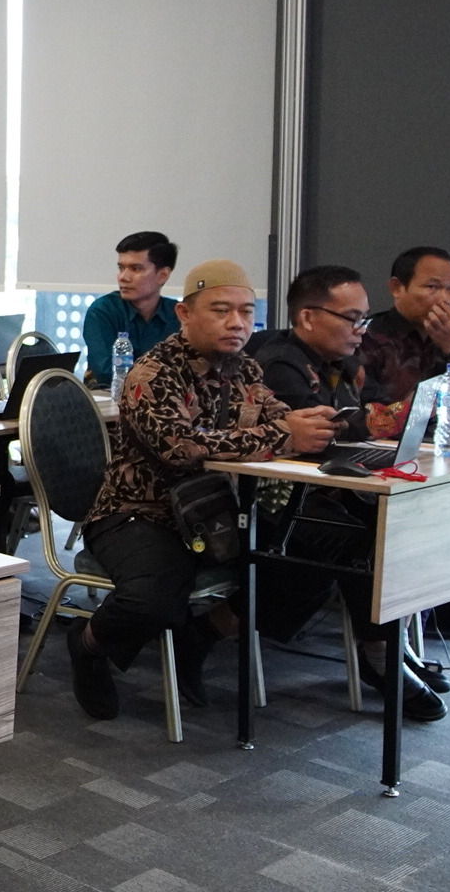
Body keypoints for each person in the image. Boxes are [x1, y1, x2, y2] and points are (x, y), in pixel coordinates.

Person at [66, 260, 339, 721]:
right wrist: (284, 435)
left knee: (308, 562)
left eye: (247, 312)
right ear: (185, 314)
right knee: (153, 598)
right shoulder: (152, 372)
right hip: (138, 512)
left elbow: (277, 418)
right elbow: (180, 447)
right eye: (221, 310)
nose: (237, 323)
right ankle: (88, 644)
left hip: (214, 510)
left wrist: (320, 425)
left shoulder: (245, 369)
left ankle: (201, 635)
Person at [248, 266, 447, 720]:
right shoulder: (280, 364)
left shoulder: (344, 363)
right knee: (367, 537)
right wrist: (373, 420)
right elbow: (323, 434)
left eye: (364, 319)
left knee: (399, 519)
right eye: (352, 319)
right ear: (308, 317)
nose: (362, 331)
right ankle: (378, 653)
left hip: (326, 488)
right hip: (275, 499)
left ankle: (389, 641)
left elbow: (364, 418)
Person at [358, 246, 450, 438]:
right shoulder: (367, 337)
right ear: (397, 288)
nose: (445, 299)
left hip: (441, 442)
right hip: (387, 445)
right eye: (432, 287)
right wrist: (433, 410)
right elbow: (366, 412)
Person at [82, 231, 181, 388]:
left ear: (163, 275)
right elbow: (105, 372)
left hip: (168, 397)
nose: (123, 277)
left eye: (135, 269)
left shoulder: (178, 314)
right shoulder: (103, 310)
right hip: (111, 396)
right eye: (121, 268)